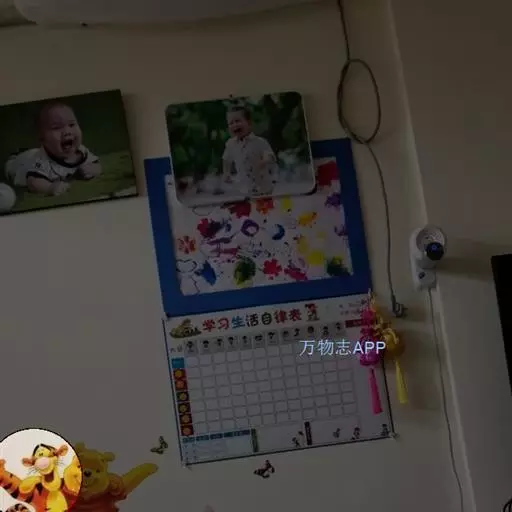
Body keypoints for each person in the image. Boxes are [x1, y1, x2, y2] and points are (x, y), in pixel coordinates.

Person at [4, 101, 102, 196]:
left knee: (34, 152)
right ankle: (15, 154)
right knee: (19, 161)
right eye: (56, 128)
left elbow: (96, 164)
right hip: (19, 164)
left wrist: (93, 169)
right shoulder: (41, 161)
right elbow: (33, 182)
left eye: (71, 125)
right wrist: (49, 187)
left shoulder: (81, 151)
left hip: (34, 152)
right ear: (42, 138)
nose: (67, 131)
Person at [221, 106, 277, 196]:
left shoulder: (259, 141)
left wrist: (264, 161)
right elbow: (226, 159)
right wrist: (226, 172)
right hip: (244, 189)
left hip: (263, 189)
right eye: (231, 123)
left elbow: (269, 156)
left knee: (263, 203)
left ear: (249, 123)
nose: (234, 125)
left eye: (237, 121)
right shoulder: (230, 144)